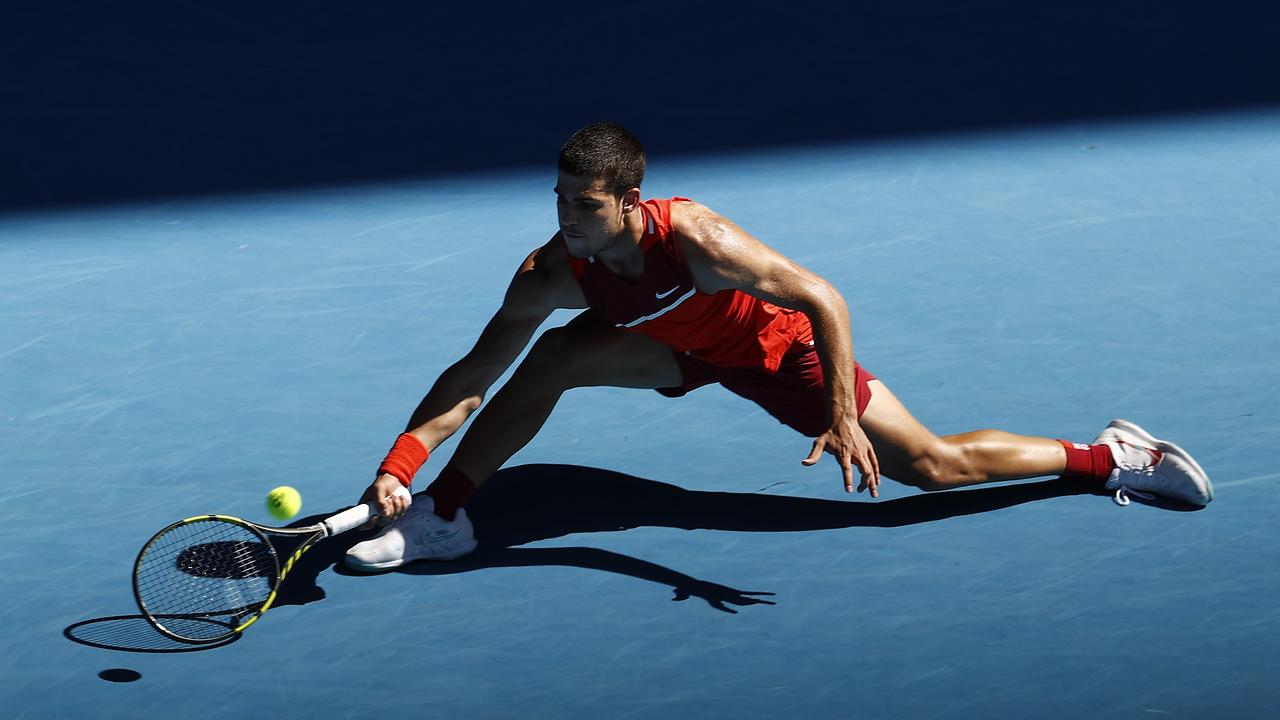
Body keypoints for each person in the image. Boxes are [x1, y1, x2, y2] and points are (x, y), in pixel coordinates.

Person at [344, 122, 1213, 571]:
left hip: (777, 352)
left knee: (934, 469)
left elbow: (822, 295)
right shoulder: (550, 273)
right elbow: (474, 373)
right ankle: (445, 516)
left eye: (584, 205)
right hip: (679, 350)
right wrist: (401, 460)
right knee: (549, 360)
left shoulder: (700, 241)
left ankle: (1108, 457)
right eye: (559, 200)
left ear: (631, 200)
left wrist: (840, 410)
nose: (565, 219)